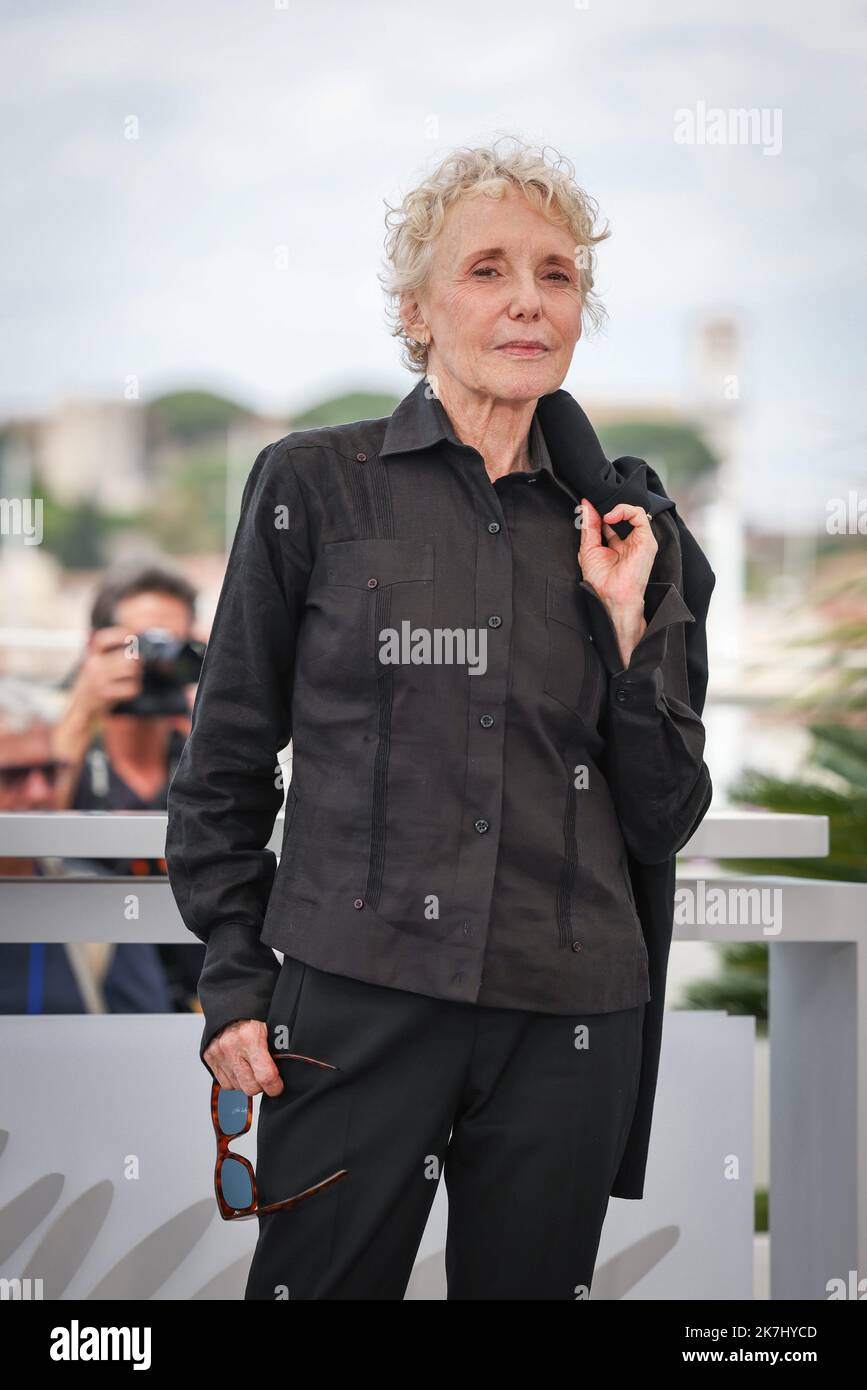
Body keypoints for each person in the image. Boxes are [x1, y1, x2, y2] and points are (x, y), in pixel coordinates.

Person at [165, 136, 715, 1300]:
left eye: (558, 275)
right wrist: (232, 972)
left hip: (569, 1016)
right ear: (415, 311)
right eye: (489, 270)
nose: (529, 299)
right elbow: (226, 754)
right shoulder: (312, 482)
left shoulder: (628, 529)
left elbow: (663, 813)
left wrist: (627, 628)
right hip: (354, 997)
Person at [52, 562, 206, 1012]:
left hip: (194, 1001)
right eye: (139, 645)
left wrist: (218, 710)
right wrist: (81, 710)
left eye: (171, 647)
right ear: (94, 649)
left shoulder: (198, 750)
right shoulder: (55, 746)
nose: (156, 663)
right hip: (88, 995)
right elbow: (27, 843)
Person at [0, 677, 169, 1014]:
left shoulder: (94, 900)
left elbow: (143, 1044)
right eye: (12, 775)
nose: (39, 793)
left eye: (49, 772)